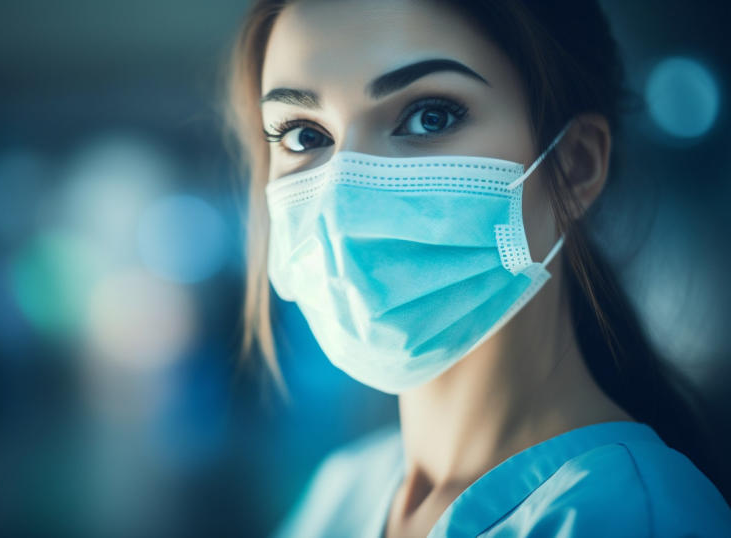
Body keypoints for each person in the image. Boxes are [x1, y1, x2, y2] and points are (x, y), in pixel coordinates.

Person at [219, 0, 731, 536]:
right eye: (304, 135)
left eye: (429, 116)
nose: (342, 196)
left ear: (575, 164)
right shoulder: (343, 492)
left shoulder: (629, 517)